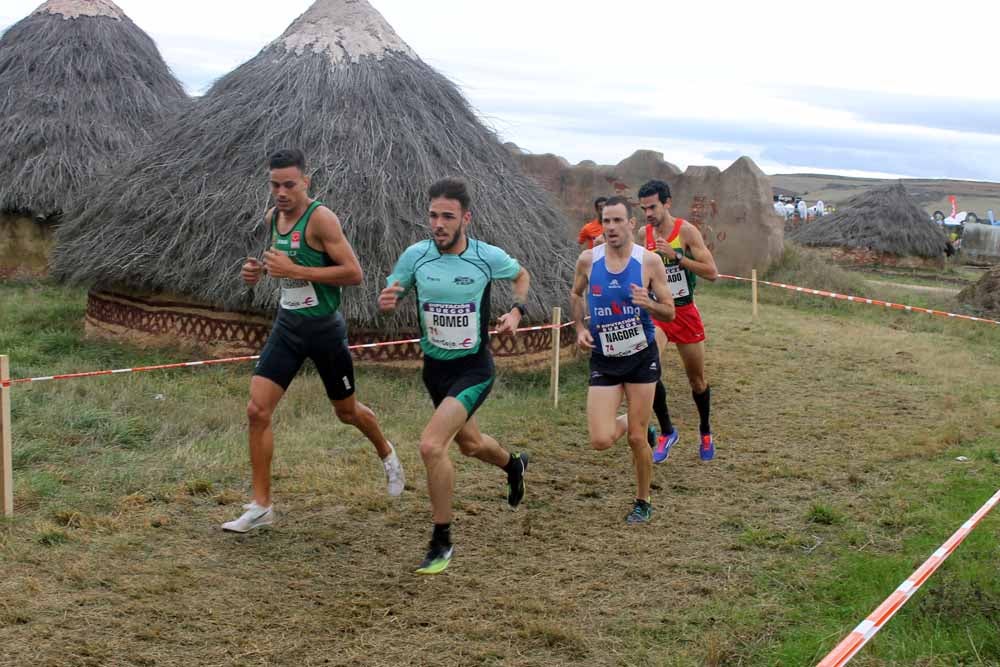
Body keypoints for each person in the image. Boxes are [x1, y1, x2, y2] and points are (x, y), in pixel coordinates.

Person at [224, 149, 404, 533]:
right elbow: (279, 263)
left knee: (347, 412)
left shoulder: (321, 219)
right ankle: (261, 506)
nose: (282, 192)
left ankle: (386, 452)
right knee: (257, 411)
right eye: (275, 184)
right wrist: (255, 272)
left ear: (306, 181)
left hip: (324, 330)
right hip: (288, 326)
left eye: (289, 184)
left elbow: (353, 273)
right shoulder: (273, 218)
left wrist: (295, 269)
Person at [379, 177, 531, 574]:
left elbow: (521, 276)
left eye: (448, 216)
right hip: (434, 370)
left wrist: (517, 311)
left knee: (432, 446)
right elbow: (393, 289)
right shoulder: (416, 256)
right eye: (433, 215)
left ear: (466, 218)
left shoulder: (485, 256)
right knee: (471, 443)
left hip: (474, 368)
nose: (439, 224)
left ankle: (441, 541)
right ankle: (513, 465)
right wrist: (389, 298)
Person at [570, 196, 675, 524]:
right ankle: (641, 423)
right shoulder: (588, 260)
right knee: (600, 439)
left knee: (635, 438)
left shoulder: (649, 262)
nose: (612, 227)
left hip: (641, 358)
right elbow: (576, 293)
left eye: (618, 221)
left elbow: (669, 311)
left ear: (631, 224)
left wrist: (650, 304)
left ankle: (643, 500)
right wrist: (579, 327)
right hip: (604, 358)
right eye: (607, 221)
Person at [636, 180, 719, 463]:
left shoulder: (685, 231)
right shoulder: (642, 234)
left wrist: (677, 257)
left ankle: (705, 430)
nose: (648, 213)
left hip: (684, 313)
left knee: (697, 381)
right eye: (644, 208)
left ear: (667, 203)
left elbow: (711, 272)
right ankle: (667, 432)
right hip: (658, 313)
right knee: (650, 369)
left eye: (653, 207)